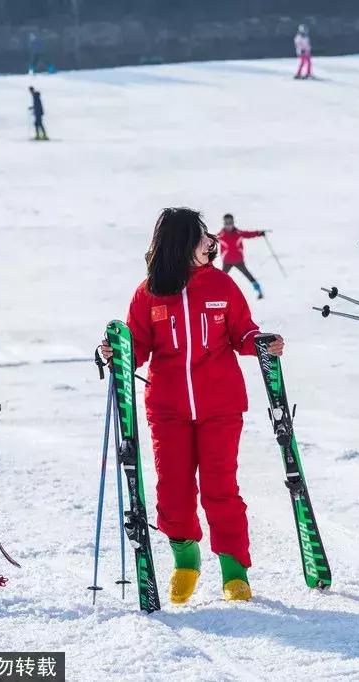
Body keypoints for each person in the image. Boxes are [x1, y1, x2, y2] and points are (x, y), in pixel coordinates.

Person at [100, 207, 284, 605]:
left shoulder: (222, 285)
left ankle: (234, 572)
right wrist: (117, 352)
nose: (209, 241)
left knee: (221, 488)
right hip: (168, 409)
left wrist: (260, 343)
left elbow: (242, 332)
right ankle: (186, 562)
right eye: (200, 235)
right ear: (181, 243)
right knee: (173, 490)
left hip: (221, 405)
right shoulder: (149, 293)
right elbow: (137, 348)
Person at [217, 213, 267, 299]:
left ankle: (259, 291)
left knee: (248, 275)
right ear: (224, 223)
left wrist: (259, 233)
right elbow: (210, 240)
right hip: (227, 261)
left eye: (230, 222)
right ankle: (215, 294)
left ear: (233, 222)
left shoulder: (238, 233)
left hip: (238, 261)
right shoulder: (220, 235)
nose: (228, 225)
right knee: (221, 278)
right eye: (226, 223)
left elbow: (249, 234)